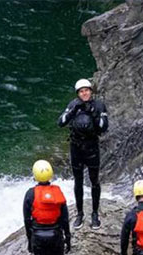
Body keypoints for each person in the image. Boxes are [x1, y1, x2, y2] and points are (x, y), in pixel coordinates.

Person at [57, 78, 109, 230]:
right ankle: (80, 214)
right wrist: (74, 110)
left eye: (86, 90)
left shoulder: (99, 105)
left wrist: (93, 113)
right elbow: (60, 122)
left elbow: (104, 127)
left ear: (91, 91)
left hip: (91, 147)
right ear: (78, 93)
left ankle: (94, 214)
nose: (84, 93)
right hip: (76, 147)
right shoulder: (73, 104)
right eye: (81, 91)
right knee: (78, 181)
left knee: (94, 181)